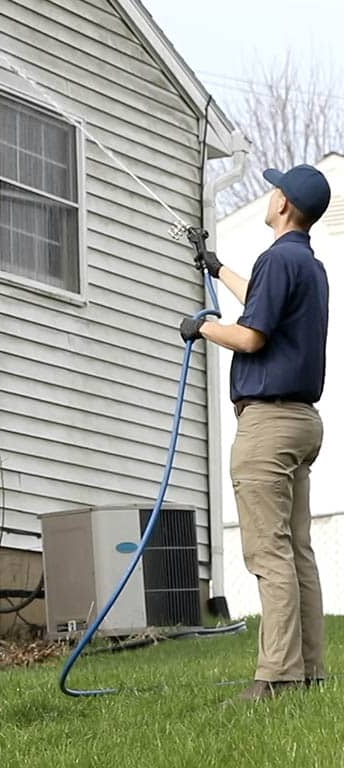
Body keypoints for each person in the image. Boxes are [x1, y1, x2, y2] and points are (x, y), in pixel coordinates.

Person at [180, 163, 331, 702]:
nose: (268, 196)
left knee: (268, 554)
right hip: (303, 423)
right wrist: (217, 268)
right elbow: (261, 300)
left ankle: (275, 677)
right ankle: (310, 672)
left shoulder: (277, 259)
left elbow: (250, 337)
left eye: (274, 189)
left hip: (267, 425)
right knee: (296, 550)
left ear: (284, 204)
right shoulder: (306, 266)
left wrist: (201, 327)